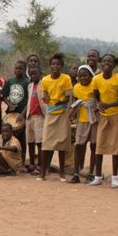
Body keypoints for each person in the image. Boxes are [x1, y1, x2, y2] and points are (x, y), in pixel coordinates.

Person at [90, 53, 118, 187]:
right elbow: (96, 97)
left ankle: (115, 178)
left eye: (110, 61)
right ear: (101, 63)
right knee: (100, 145)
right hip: (103, 116)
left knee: (116, 146)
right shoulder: (96, 79)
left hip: (116, 115)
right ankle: (98, 176)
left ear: (114, 64)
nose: (107, 63)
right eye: (104, 61)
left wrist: (108, 105)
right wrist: (99, 105)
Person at [38, 53, 73, 181]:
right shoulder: (45, 80)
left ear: (62, 66)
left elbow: (69, 96)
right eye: (53, 64)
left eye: (58, 64)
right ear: (50, 66)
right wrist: (46, 98)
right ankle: (42, 172)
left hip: (62, 114)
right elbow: (45, 95)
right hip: (50, 113)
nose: (55, 66)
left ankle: (62, 172)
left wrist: (62, 101)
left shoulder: (66, 79)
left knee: (62, 144)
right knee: (46, 143)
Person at [0, 60, 30, 163]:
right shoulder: (10, 81)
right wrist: (9, 104)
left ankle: (21, 159)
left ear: (24, 70)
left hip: (21, 114)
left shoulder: (27, 83)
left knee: (21, 137)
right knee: (7, 136)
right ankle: (6, 158)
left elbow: (29, 101)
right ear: (13, 70)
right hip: (10, 114)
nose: (18, 70)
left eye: (20, 68)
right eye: (16, 68)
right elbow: (3, 96)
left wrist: (22, 114)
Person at [70, 65, 97, 184]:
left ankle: (91, 173)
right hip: (82, 119)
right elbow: (76, 102)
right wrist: (72, 115)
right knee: (79, 146)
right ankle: (76, 173)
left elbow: (98, 101)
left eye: (85, 75)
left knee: (93, 146)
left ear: (91, 75)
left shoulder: (95, 86)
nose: (83, 78)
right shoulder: (76, 88)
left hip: (95, 119)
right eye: (80, 76)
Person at [24, 64, 45, 173]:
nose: (33, 76)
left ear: (40, 74)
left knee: (39, 142)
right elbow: (28, 102)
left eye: (35, 74)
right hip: (30, 116)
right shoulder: (30, 86)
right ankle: (32, 163)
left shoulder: (44, 85)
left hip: (40, 117)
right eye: (31, 74)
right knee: (30, 141)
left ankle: (40, 165)